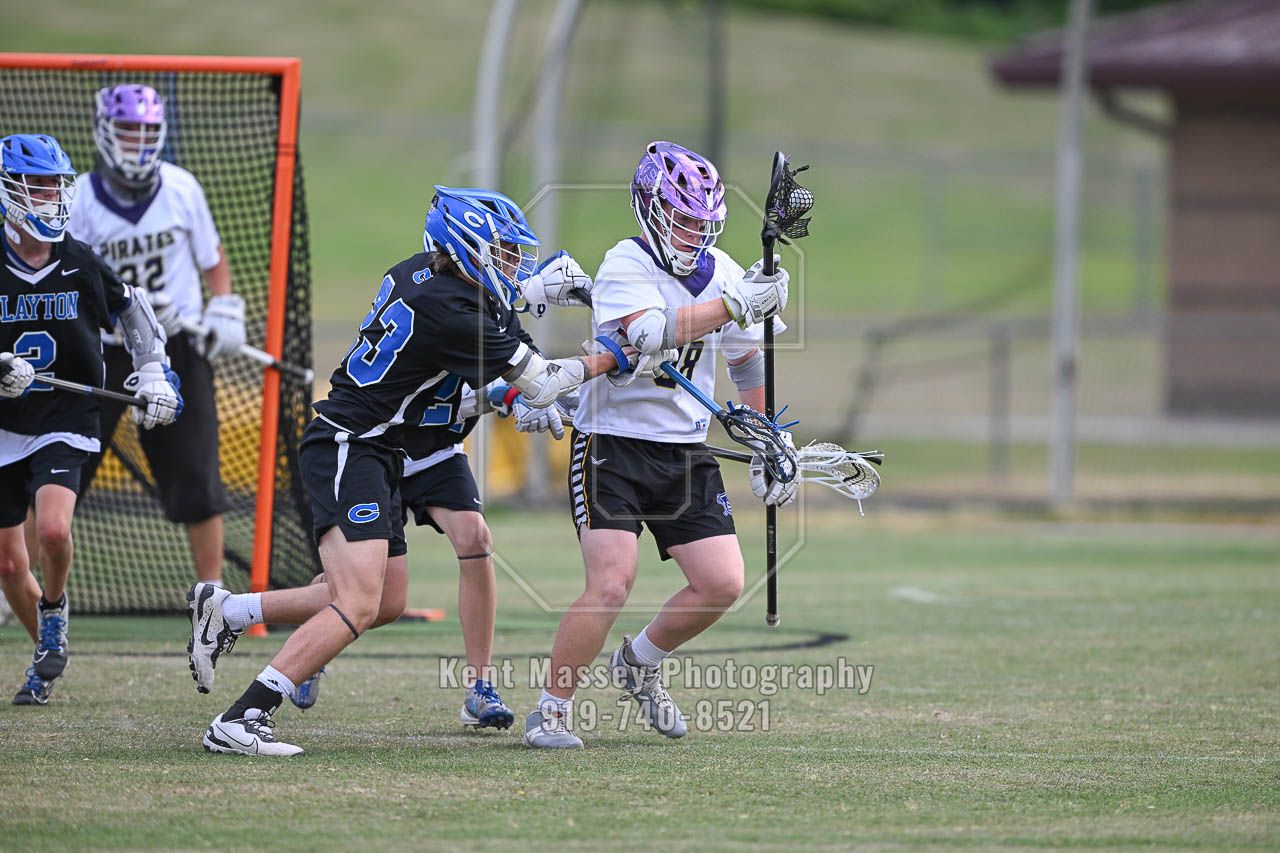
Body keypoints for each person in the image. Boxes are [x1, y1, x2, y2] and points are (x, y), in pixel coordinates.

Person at [189, 186, 647, 756]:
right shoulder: (451, 309)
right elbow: (539, 377)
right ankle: (242, 717)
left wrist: (530, 298)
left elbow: (492, 347)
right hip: (350, 444)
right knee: (358, 600)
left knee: (384, 602)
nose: (514, 264)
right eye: (505, 253)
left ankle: (229, 611)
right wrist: (616, 354)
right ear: (468, 249)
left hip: (381, 447)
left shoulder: (428, 277)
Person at [524, 141, 794, 748]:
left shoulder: (723, 269)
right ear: (651, 209)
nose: (693, 232)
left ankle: (639, 663)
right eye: (682, 218)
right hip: (611, 446)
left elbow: (747, 362)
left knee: (722, 582)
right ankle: (551, 710)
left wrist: (764, 436)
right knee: (611, 583)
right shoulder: (624, 263)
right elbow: (651, 334)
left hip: (685, 450)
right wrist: (737, 303)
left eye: (702, 222)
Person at [0, 133, 182, 705]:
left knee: (54, 530)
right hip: (4, 422)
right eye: (37, 187)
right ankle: (45, 655)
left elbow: (133, 309)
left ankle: (54, 611)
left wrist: (154, 374)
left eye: (55, 186)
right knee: (9, 563)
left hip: (66, 413)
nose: (50, 198)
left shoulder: (77, 260)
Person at [68, 84, 244, 587]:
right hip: (104, 348)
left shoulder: (182, 188)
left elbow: (213, 259)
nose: (137, 141)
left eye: (146, 131)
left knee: (196, 474)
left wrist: (224, 306)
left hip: (174, 347)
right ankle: (17, 589)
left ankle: (210, 593)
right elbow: (70, 279)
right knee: (63, 470)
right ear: (105, 132)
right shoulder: (79, 199)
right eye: (127, 130)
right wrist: (128, 310)